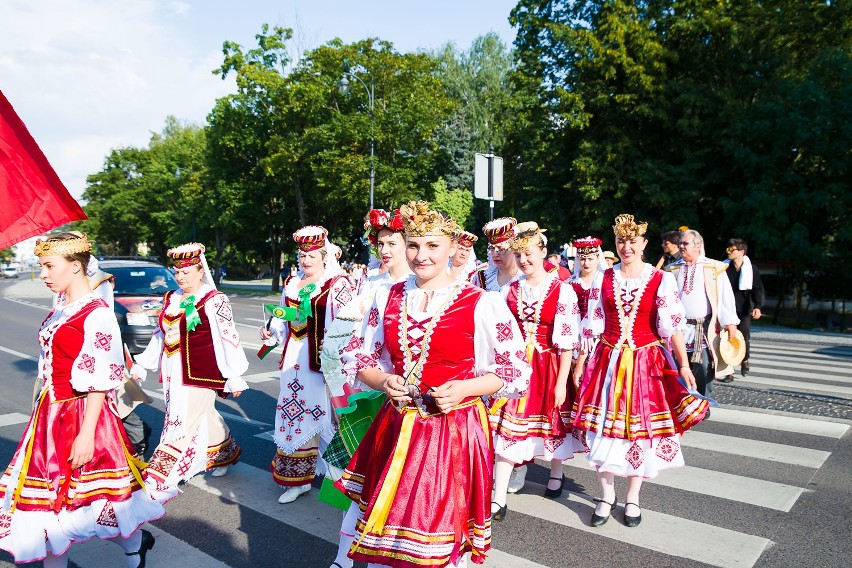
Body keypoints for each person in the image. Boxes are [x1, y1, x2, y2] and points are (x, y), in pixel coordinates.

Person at [334, 201, 530, 568]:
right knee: (387, 535)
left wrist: (465, 389)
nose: (421, 255)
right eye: (413, 245)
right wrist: (383, 379)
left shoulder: (481, 303)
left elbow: (514, 370)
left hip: (453, 432)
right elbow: (357, 357)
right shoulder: (387, 296)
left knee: (437, 536)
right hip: (396, 428)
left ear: (453, 248)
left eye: (432, 246)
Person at [0, 233, 164, 568]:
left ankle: (134, 547)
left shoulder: (97, 313)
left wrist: (87, 435)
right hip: (50, 413)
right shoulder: (62, 307)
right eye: (41, 266)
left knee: (95, 499)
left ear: (75, 266)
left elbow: (100, 380)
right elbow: (48, 365)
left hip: (81, 414)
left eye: (49, 266)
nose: (43, 273)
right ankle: (132, 544)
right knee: (54, 506)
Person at [572, 214, 709, 528]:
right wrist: (580, 364)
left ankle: (633, 497)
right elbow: (591, 325)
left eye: (632, 241)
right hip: (607, 363)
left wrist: (684, 365)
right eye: (621, 241)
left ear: (644, 243)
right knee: (603, 432)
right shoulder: (604, 277)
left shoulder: (661, 279)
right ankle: (606, 495)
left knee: (639, 434)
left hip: (645, 366)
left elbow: (673, 325)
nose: (626, 247)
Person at [321, 209, 412, 568]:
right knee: (358, 484)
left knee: (396, 485)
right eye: (380, 242)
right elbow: (339, 342)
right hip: (368, 395)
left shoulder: (421, 288)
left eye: (393, 242)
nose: (385, 249)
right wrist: (338, 391)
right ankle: (343, 557)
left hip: (407, 399)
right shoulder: (370, 285)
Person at [131, 243, 249, 501]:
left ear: (200, 271)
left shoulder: (214, 299)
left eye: (186, 271)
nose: (181, 277)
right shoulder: (170, 298)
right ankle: (224, 454)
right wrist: (143, 364)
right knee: (201, 415)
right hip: (173, 369)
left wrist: (233, 374)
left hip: (201, 372)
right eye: (177, 272)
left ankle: (161, 478)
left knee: (180, 422)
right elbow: (160, 333)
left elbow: (227, 336)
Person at [489, 222, 582, 522]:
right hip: (517, 366)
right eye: (519, 256)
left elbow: (566, 342)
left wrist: (561, 384)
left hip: (548, 363)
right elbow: (500, 330)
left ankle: (557, 471)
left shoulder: (562, 290)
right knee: (508, 428)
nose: (524, 260)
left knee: (552, 421)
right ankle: (498, 497)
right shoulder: (509, 289)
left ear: (543, 252)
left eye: (529, 254)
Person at [259, 226, 355, 504]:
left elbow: (348, 323)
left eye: (312, 254)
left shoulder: (338, 284)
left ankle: (345, 477)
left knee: (326, 416)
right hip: (293, 358)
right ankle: (298, 479)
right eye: (302, 254)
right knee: (295, 414)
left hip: (322, 361)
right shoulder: (292, 282)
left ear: (325, 256)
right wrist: (271, 334)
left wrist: (336, 351)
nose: (306, 260)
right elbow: (281, 321)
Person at [665, 230, 739, 399]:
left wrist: (730, 322)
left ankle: (702, 402)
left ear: (698, 246)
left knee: (703, 366)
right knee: (678, 365)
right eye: (681, 244)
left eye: (685, 243)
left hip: (703, 328)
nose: (681, 247)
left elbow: (725, 296)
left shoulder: (713, 268)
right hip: (680, 329)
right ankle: (682, 403)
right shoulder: (672, 269)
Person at [723, 238, 764, 381]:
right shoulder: (724, 268)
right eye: (727, 249)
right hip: (727, 309)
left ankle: (745, 359)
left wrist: (758, 307)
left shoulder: (751, 269)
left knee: (744, 337)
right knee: (727, 339)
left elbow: (757, 288)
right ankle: (729, 371)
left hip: (744, 309)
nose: (728, 252)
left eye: (731, 249)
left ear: (741, 252)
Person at [569, 236, 606, 387]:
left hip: (600, 337)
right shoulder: (570, 284)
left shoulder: (606, 282)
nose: (586, 263)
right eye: (582, 259)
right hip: (576, 336)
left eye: (590, 259)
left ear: (598, 258)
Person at [480, 217, 520, 291]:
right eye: (492, 248)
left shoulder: (525, 275)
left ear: (514, 249)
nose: (495, 254)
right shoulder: (483, 278)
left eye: (501, 249)